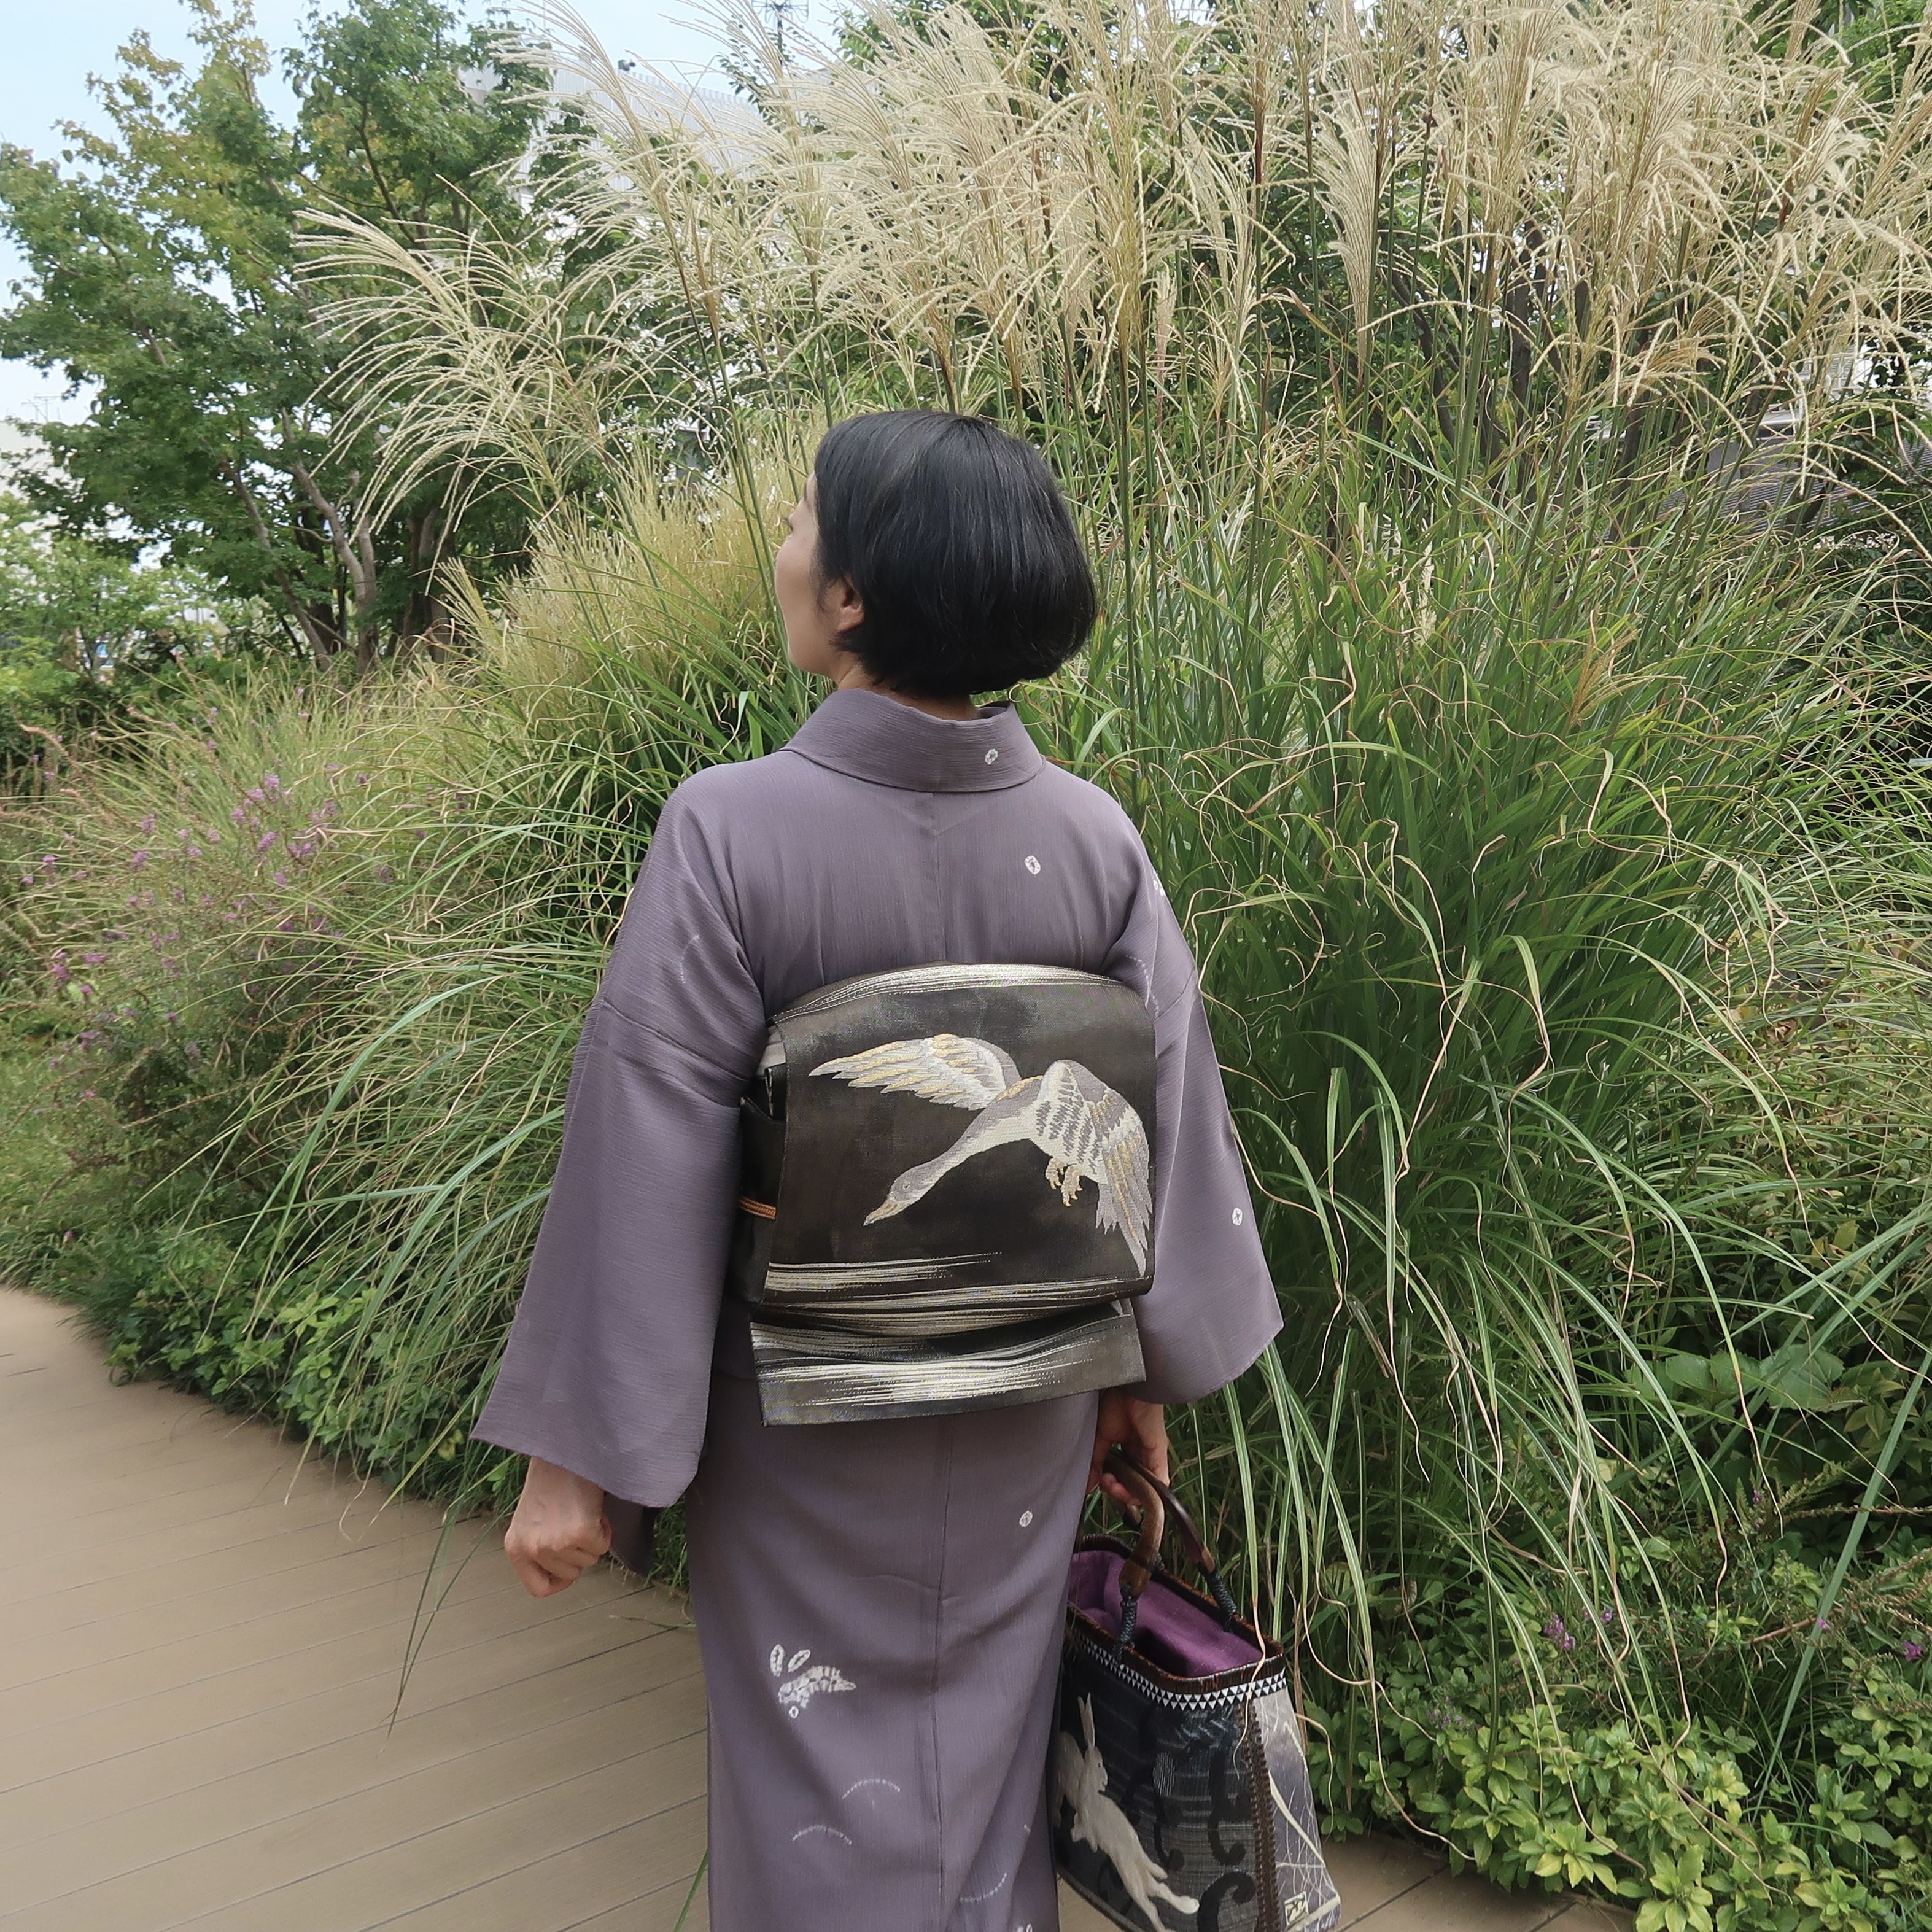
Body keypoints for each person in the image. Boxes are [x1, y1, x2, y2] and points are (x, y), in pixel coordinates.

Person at [471, 409, 1282, 1931]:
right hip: (1025, 1400)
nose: (781, 548)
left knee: (809, 1763)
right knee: (982, 1763)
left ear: (848, 595)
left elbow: (646, 1130)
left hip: (800, 1411)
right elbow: (1153, 1127)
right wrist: (1134, 1372)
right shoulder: (1090, 836)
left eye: (797, 521)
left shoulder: (732, 827)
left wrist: (571, 1457)